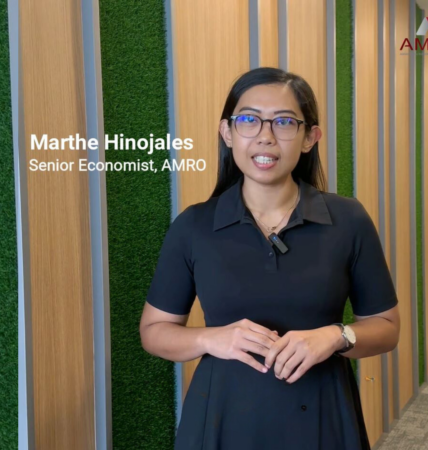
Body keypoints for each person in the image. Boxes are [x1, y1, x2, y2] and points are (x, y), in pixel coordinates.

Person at [139, 67, 400, 449]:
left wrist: (336, 336)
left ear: (310, 138)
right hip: (221, 419)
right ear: (227, 132)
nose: (265, 136)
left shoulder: (349, 219)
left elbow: (387, 327)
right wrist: (212, 338)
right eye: (249, 120)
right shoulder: (194, 225)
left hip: (323, 418)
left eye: (284, 122)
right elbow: (154, 331)